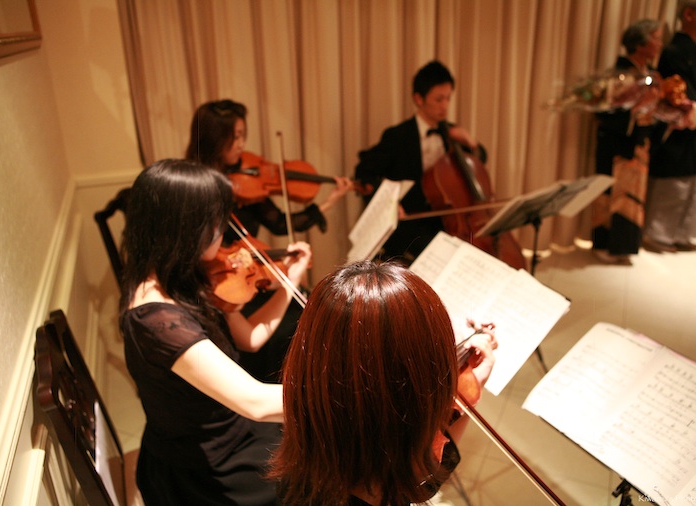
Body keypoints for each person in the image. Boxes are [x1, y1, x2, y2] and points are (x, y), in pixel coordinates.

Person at [119, 159, 311, 505]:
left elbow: (249, 338)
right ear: (186, 227)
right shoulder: (156, 322)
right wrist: (341, 396)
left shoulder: (184, 273)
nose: (223, 231)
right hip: (206, 465)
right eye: (216, 220)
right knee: (316, 477)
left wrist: (290, 281)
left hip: (231, 426)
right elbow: (254, 402)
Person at [270, 261, 498, 506]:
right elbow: (419, 479)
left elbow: (421, 476)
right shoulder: (384, 476)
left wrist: (468, 391)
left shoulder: (316, 423)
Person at [185, 99, 353, 382]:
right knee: (296, 324)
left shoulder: (245, 182)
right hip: (222, 285)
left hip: (248, 273)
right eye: (234, 137)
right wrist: (286, 280)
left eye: (243, 135)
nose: (241, 144)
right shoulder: (194, 189)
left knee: (311, 303)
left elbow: (278, 223)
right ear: (214, 139)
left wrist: (329, 201)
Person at [355, 60, 483, 264]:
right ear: (418, 99)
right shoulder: (397, 136)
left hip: (447, 223)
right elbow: (364, 172)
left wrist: (471, 142)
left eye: (448, 98)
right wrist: (389, 201)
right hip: (410, 226)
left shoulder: (451, 134)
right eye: (438, 99)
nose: (445, 106)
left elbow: (480, 161)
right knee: (442, 257)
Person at [643, 0, 696, 252]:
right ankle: (658, 234)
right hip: (678, 128)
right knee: (674, 182)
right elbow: (684, 89)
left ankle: (682, 233)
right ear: (688, 14)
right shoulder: (674, 50)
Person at [592, 19, 664, 265]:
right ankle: (604, 243)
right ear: (640, 44)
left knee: (633, 195)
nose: (660, 44)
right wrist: (636, 108)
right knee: (610, 193)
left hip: (639, 142)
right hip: (617, 142)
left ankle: (625, 245)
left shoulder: (650, 74)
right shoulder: (620, 73)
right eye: (656, 38)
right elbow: (604, 113)